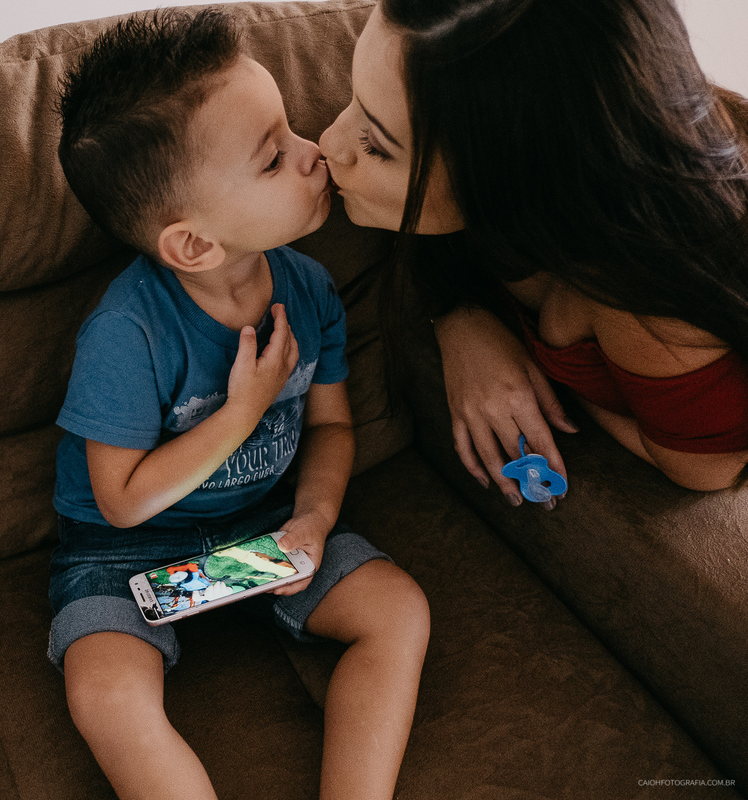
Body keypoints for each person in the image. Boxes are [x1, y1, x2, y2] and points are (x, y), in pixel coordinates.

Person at [51, 9, 429, 799]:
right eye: (273, 158)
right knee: (103, 690)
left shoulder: (308, 287)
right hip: (124, 557)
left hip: (264, 528)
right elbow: (120, 502)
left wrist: (315, 521)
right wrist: (241, 412)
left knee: (398, 611)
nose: (315, 151)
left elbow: (330, 426)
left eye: (293, 129)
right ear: (193, 244)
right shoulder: (127, 333)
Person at [319, 0, 748, 501]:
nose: (328, 141)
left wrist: (554, 365)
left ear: (518, 178)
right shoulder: (468, 72)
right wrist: (461, 318)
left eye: (375, 145)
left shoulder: (647, 305)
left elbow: (707, 469)